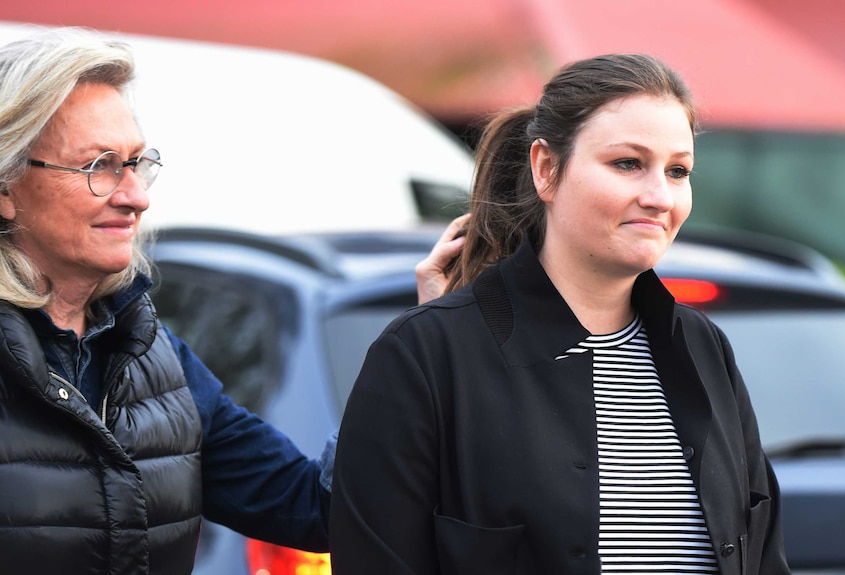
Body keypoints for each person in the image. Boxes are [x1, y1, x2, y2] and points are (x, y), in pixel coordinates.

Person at [0, 26, 454, 575]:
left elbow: (319, 508)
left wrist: (425, 337)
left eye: (137, 163)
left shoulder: (154, 358)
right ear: (7, 186)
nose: (136, 196)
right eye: (99, 166)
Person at [330, 53, 792, 574]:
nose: (659, 196)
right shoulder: (425, 354)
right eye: (627, 163)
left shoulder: (705, 349)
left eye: (678, 170)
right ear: (547, 169)